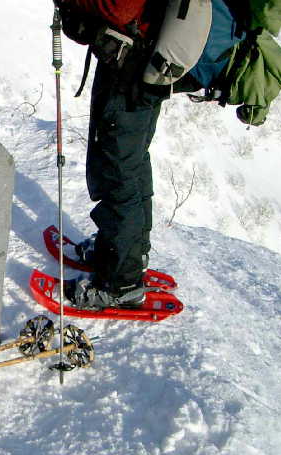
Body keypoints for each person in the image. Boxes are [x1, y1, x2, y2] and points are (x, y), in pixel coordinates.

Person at [56, 6, 171, 310]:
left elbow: (119, 8)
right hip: (148, 67)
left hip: (130, 70)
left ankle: (122, 283)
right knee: (131, 165)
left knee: (118, 172)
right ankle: (125, 253)